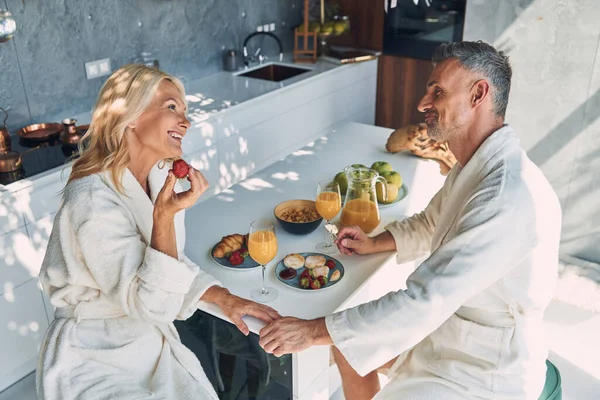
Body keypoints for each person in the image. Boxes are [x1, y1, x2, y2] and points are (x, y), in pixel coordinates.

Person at [258, 41, 562, 399]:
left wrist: (310, 331)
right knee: (349, 347)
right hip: (450, 336)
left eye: (438, 91)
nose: (422, 104)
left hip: (483, 369)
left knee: (343, 336)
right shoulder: (476, 167)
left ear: (478, 94)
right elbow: (432, 222)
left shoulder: (503, 195)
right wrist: (374, 243)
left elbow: (423, 301)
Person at [37, 64, 280, 399]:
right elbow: (153, 301)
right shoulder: (92, 200)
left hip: (144, 335)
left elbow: (165, 268)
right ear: (130, 116)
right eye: (171, 107)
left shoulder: (157, 177)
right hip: (93, 350)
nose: (186, 121)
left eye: (184, 110)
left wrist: (223, 297)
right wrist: (164, 218)